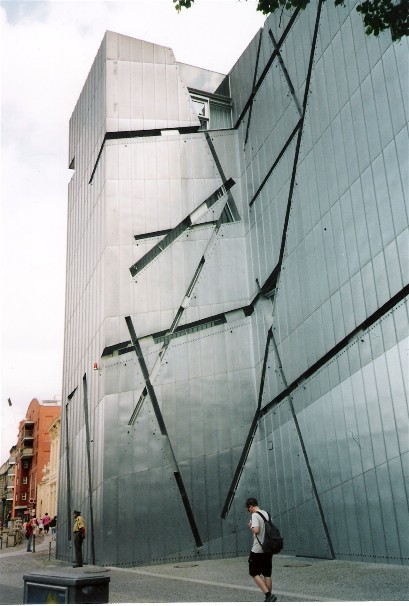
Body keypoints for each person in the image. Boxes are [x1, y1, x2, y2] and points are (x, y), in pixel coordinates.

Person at [246, 497, 277, 602]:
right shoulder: (267, 514)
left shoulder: (255, 515)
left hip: (258, 549)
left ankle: (268, 595)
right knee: (267, 574)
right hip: (268, 548)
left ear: (250, 506)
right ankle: (269, 598)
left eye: (248, 509)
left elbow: (257, 530)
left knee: (253, 573)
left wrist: (251, 526)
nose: (249, 511)